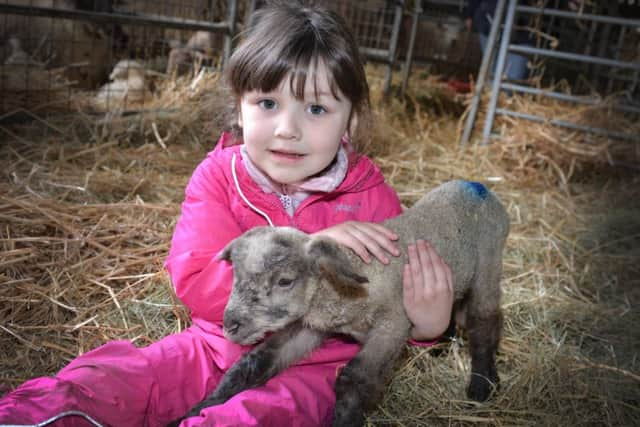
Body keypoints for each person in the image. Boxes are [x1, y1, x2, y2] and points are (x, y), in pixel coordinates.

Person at [0, 2, 454, 426]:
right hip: (216, 345)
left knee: (257, 416)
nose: (287, 129)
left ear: (350, 121)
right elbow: (197, 279)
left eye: (316, 108)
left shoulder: (374, 202)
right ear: (239, 106)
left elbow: (387, 317)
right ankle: (35, 416)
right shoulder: (218, 178)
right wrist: (305, 260)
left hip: (314, 367)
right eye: (268, 104)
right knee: (124, 376)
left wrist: (427, 324)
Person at [464, 0, 532, 82]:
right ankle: (491, 90)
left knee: (513, 78)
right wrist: (470, 13)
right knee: (490, 70)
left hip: (521, 33)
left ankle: (500, 91)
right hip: (488, 25)